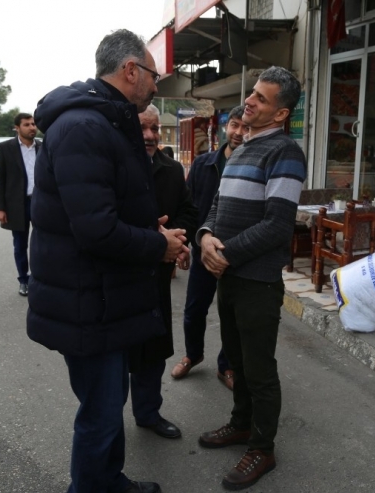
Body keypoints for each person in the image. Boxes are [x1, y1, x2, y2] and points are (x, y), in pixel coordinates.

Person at [27, 29, 187, 493]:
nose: (157, 85)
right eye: (154, 75)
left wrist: (147, 226)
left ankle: (108, 481)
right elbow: (96, 230)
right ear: (130, 71)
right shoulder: (86, 127)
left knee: (107, 402)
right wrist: (160, 246)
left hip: (99, 296)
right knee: (99, 411)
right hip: (88, 301)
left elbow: (104, 210)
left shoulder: (104, 121)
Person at [196, 67, 306, 491]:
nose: (250, 102)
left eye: (261, 98)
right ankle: (240, 425)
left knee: (259, 369)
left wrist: (226, 255)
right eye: (252, 94)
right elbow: (216, 206)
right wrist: (205, 237)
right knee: (237, 360)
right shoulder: (241, 147)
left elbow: (278, 225)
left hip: (256, 281)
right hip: (229, 275)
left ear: (280, 114)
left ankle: (263, 448)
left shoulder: (285, 152)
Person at [128, 104, 197, 440]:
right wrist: (153, 236)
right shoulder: (114, 165)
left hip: (157, 277)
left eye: (155, 129)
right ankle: (107, 424)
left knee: (153, 353)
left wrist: (177, 239)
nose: (150, 136)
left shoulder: (170, 170)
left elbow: (188, 210)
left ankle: (148, 413)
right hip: (118, 277)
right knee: (117, 358)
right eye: (143, 127)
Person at [172, 105, 248, 390]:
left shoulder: (256, 168)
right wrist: (184, 245)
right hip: (203, 251)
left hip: (236, 254)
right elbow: (189, 209)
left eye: (246, 127)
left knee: (233, 316)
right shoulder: (204, 165)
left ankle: (226, 365)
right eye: (235, 126)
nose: (239, 133)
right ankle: (193, 354)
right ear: (226, 128)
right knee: (194, 311)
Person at [0, 113, 40, 296]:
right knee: (20, 245)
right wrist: (0, 208)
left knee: (43, 243)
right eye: (27, 124)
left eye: (33, 124)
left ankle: (41, 278)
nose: (32, 127)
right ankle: (24, 280)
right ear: (17, 128)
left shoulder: (42, 147)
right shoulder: (6, 148)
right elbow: (0, 179)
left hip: (40, 203)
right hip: (17, 205)